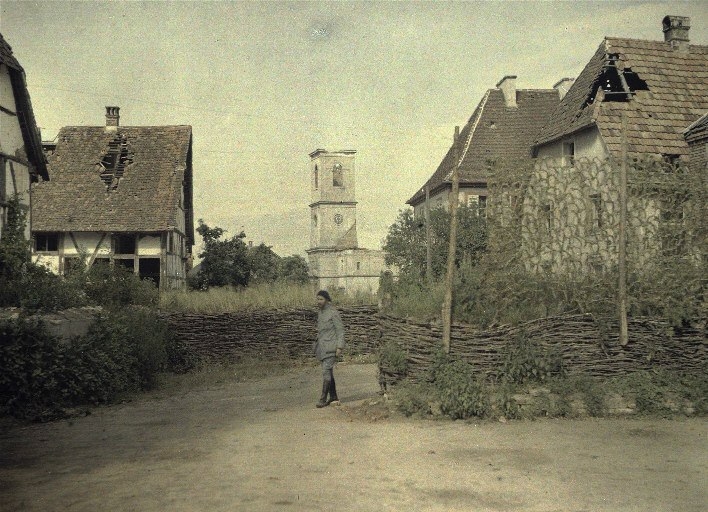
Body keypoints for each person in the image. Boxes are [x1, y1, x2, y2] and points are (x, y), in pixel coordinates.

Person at [313, 290, 345, 408]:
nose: (319, 302)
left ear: (327, 300)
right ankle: (333, 396)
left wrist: (339, 347)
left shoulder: (333, 313)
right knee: (329, 372)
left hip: (331, 347)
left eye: (321, 299)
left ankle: (322, 399)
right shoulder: (320, 313)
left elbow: (340, 330)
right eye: (317, 299)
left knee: (326, 371)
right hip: (322, 348)